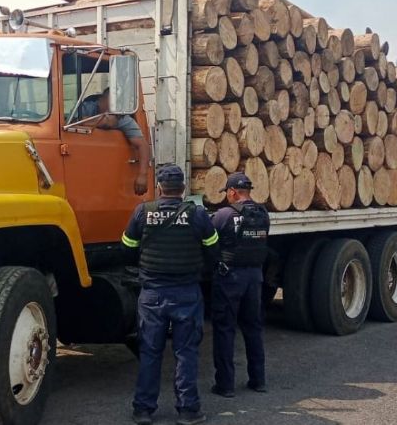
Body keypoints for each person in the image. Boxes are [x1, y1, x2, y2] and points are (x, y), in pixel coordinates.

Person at [121, 164, 220, 425]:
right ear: (183, 190)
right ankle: (188, 411)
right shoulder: (197, 214)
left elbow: (127, 246)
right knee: (185, 353)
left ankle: (143, 410)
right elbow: (213, 249)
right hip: (187, 293)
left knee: (150, 352)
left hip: (152, 294)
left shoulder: (143, 212)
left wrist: (144, 266)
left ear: (159, 188)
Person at [209, 173, 270, 398]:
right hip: (255, 277)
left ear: (233, 192)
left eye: (227, 192)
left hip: (230, 278)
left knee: (225, 329)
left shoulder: (224, 214)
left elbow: (208, 238)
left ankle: (225, 385)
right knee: (253, 328)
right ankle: (258, 380)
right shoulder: (263, 213)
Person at [79, 88, 150, 195]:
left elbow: (142, 145)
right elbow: (71, 122)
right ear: (102, 99)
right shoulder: (87, 106)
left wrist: (142, 175)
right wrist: (102, 121)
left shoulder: (121, 117)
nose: (114, 108)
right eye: (112, 102)